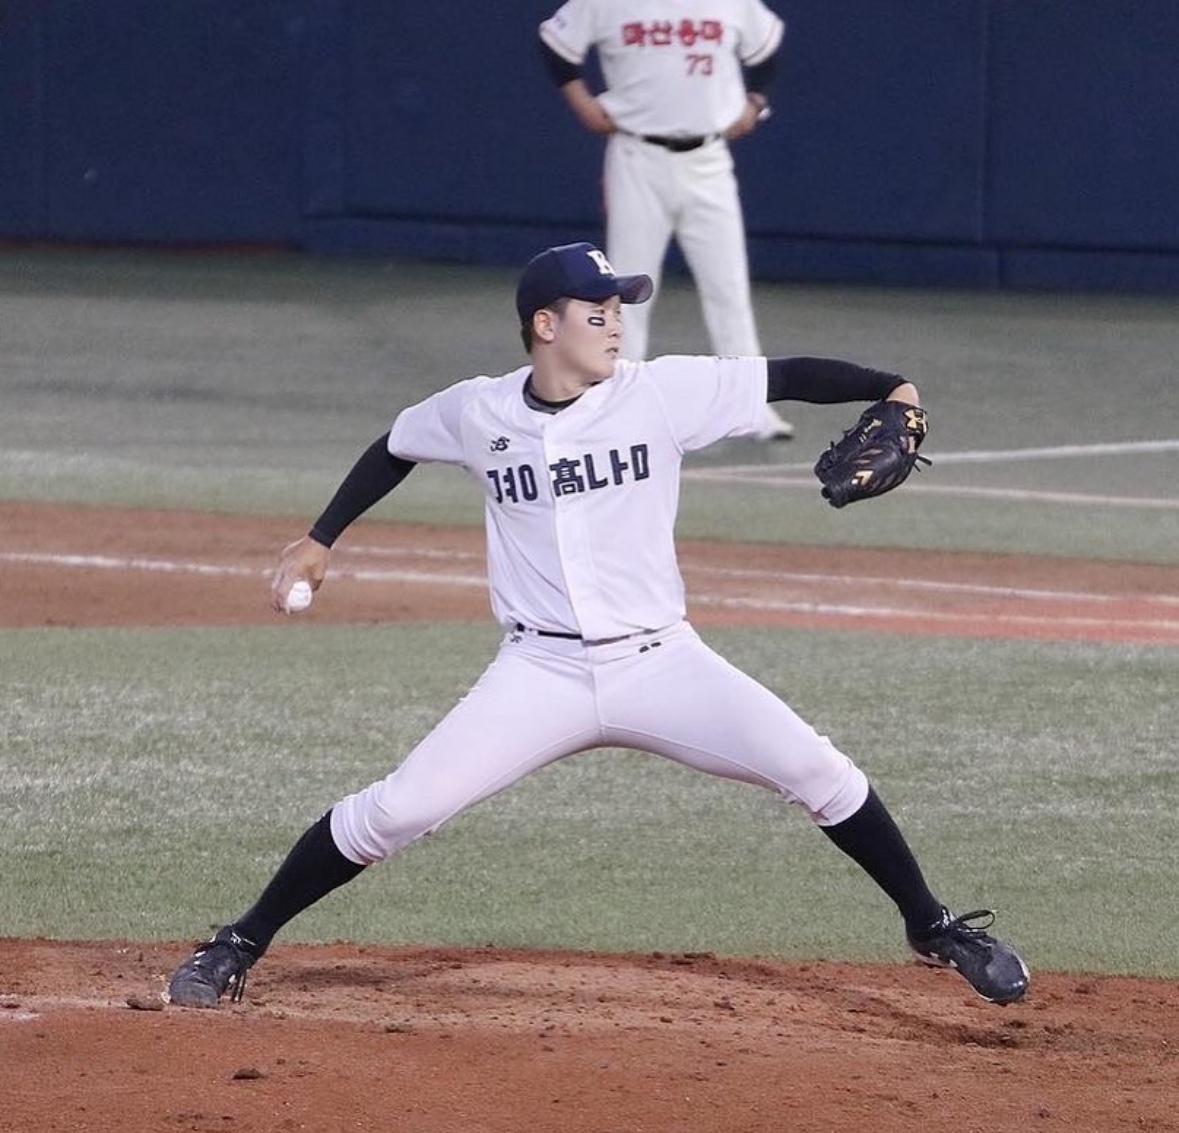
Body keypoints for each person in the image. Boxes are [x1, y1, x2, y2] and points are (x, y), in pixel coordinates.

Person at [167, 242, 1030, 1010]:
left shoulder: (661, 393)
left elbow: (789, 374)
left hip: (663, 663)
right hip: (537, 673)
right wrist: (321, 538)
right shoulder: (477, 411)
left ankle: (931, 924)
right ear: (544, 325)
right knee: (396, 811)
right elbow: (394, 444)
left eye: (619, 310)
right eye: (598, 311)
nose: (616, 325)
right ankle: (238, 942)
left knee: (817, 769)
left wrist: (894, 388)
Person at [538, 0, 796, 441]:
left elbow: (766, 48)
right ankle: (615, 401)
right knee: (627, 288)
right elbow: (555, 44)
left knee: (728, 286)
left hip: (709, 158)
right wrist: (581, 102)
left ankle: (750, 408)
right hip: (637, 155)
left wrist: (755, 102)